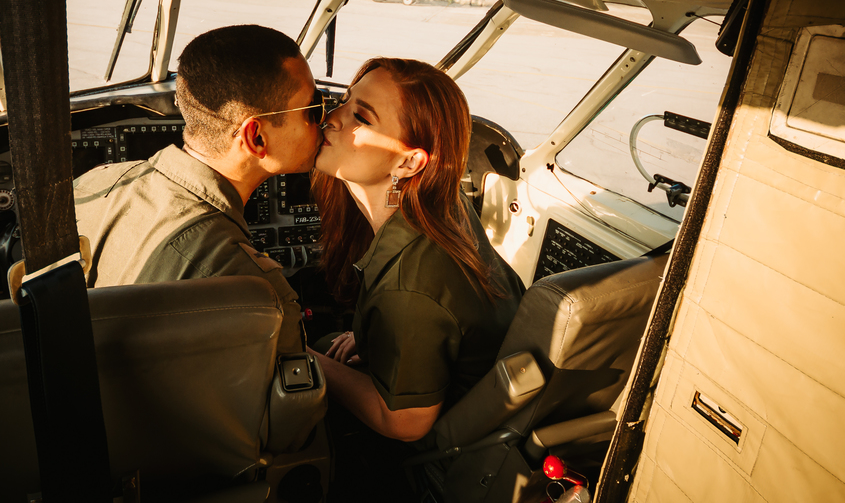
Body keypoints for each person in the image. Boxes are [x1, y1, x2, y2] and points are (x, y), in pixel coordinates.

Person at [308, 57, 525, 442]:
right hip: (456, 378)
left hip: (442, 445)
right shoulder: (442, 204)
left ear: (408, 162)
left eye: (361, 117)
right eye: (344, 100)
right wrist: (369, 334)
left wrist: (305, 359)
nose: (333, 117)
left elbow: (405, 424)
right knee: (331, 344)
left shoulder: (412, 284)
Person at [73, 24, 324, 356]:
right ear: (256, 138)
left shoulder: (92, 183)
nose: (326, 119)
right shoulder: (256, 290)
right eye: (313, 109)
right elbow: (297, 388)